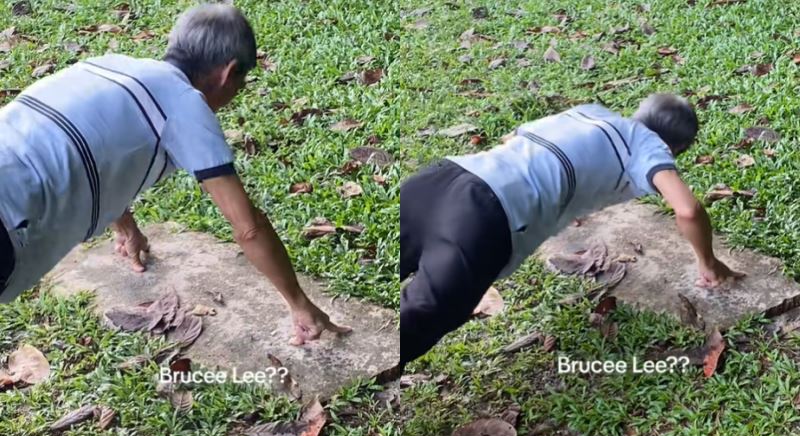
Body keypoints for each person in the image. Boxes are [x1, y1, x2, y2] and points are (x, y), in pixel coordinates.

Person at [0, 4, 349, 345]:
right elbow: (248, 227)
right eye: (242, 83)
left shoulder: (106, 65)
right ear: (228, 74)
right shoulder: (184, 104)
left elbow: (91, 147)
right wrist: (300, 305)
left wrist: (125, 226)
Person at [400, 93, 743, 366]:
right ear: (674, 148)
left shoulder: (589, 112)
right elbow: (688, 209)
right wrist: (708, 263)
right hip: (482, 215)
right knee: (420, 320)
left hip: (439, 181)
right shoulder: (648, 145)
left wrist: (568, 199)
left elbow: (521, 140)